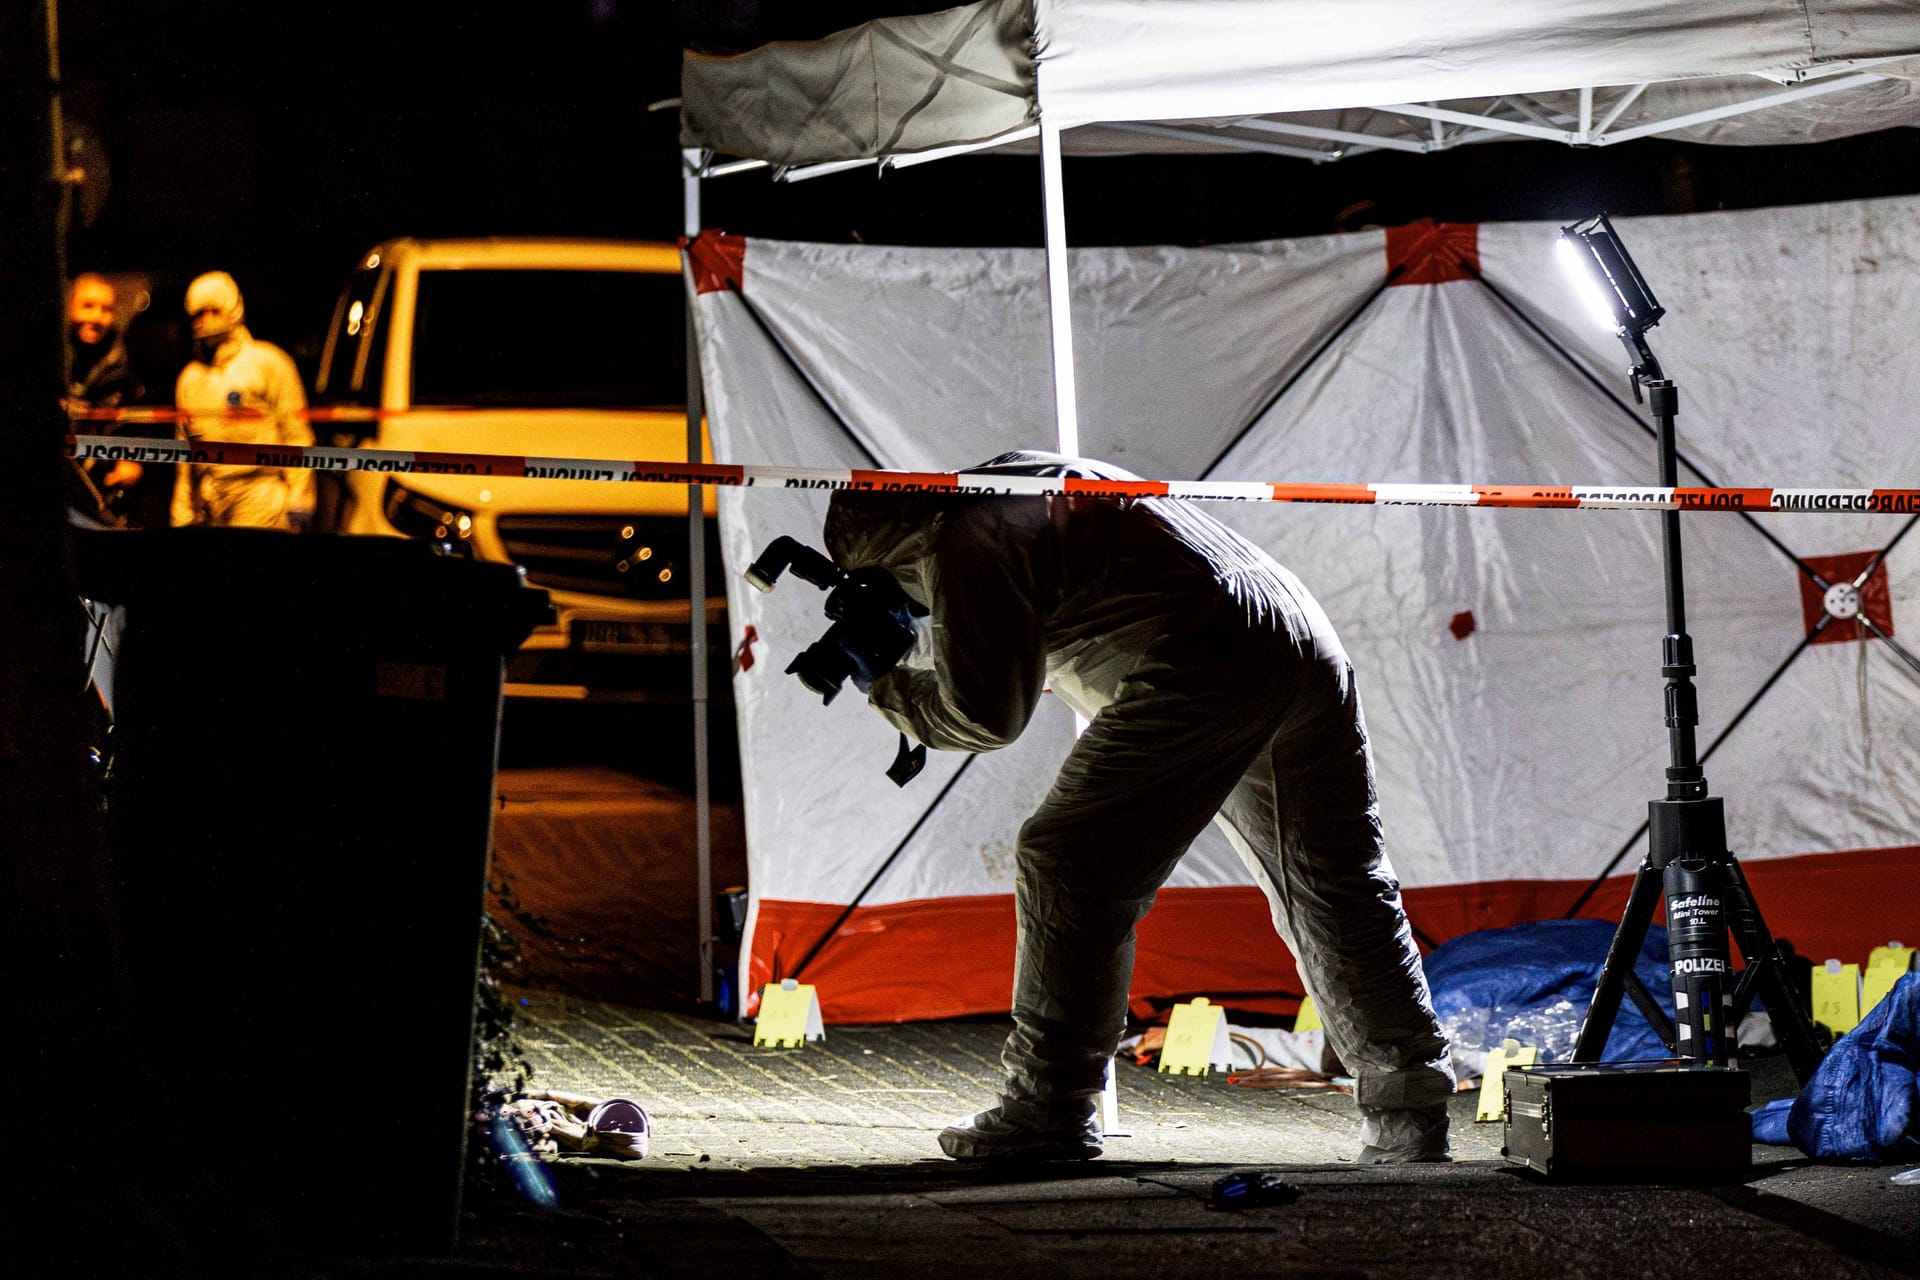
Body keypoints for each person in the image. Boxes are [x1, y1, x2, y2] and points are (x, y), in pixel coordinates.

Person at [823, 451, 1455, 1164]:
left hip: (1202, 653)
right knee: (1339, 883)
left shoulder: (964, 539)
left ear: (891, 556)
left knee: (1067, 858)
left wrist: (882, 682)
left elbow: (984, 717)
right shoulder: (1015, 484)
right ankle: (1413, 1114)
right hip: (1295, 631)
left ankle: (1049, 1110)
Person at [171, 270, 315, 530]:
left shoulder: (268, 362)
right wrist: (182, 512)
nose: (205, 321)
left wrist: (300, 503)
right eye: (198, 314)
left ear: (233, 309)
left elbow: (297, 436)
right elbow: (185, 453)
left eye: (214, 311)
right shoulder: (190, 379)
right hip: (212, 499)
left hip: (262, 496)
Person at [63, 273, 149, 521]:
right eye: (88, 306)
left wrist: (135, 463)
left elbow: (143, 420)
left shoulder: (126, 366)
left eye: (106, 309)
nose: (96, 317)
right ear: (70, 308)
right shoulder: (59, 361)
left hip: (109, 498)